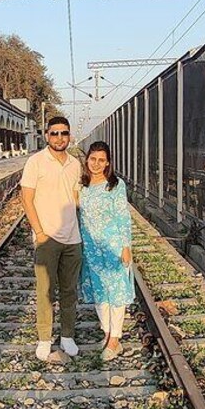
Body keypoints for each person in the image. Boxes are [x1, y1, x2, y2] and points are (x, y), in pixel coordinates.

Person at [20, 117, 83, 361]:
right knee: (45, 291)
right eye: (54, 133)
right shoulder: (35, 162)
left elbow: (77, 199)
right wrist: (40, 233)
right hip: (47, 238)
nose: (59, 138)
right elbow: (27, 198)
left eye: (63, 133)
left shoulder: (75, 164)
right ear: (47, 135)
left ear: (69, 136)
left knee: (69, 290)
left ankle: (67, 335)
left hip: (72, 238)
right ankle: (44, 338)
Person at [78, 141, 134, 361]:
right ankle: (107, 333)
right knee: (99, 290)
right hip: (91, 247)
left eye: (101, 160)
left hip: (113, 245)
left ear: (108, 163)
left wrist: (125, 246)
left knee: (117, 290)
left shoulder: (115, 185)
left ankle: (115, 339)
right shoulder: (81, 186)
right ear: (87, 160)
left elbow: (123, 216)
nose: (96, 164)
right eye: (93, 159)